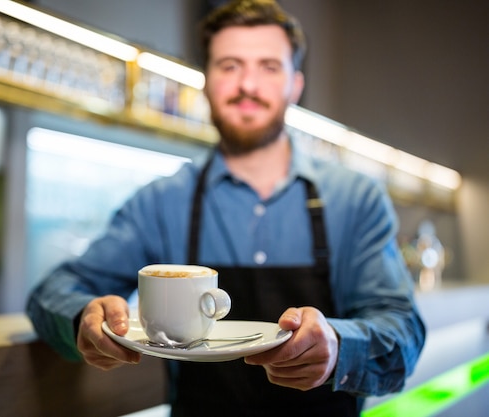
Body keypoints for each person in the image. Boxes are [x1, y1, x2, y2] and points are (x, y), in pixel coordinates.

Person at [26, 1, 426, 415]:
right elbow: (53, 292)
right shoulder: (161, 202)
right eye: (230, 65)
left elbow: (403, 329)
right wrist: (85, 319)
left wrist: (339, 346)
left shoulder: (356, 199)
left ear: (295, 85)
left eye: (269, 67)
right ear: (207, 82)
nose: (247, 84)